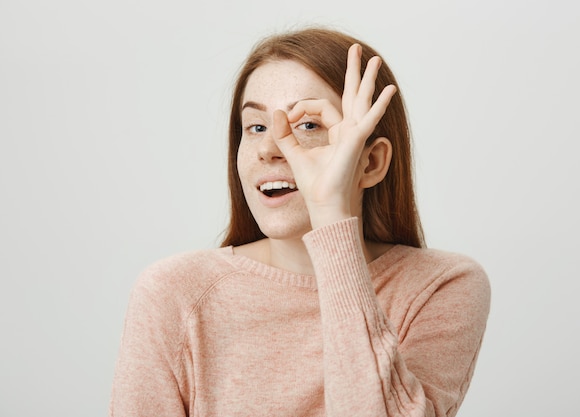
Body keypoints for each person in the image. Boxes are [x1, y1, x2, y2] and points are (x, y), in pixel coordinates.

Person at [110, 27, 490, 417]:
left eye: (308, 125)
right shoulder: (173, 292)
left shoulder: (441, 285)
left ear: (371, 162)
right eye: (255, 127)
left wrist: (329, 211)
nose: (270, 148)